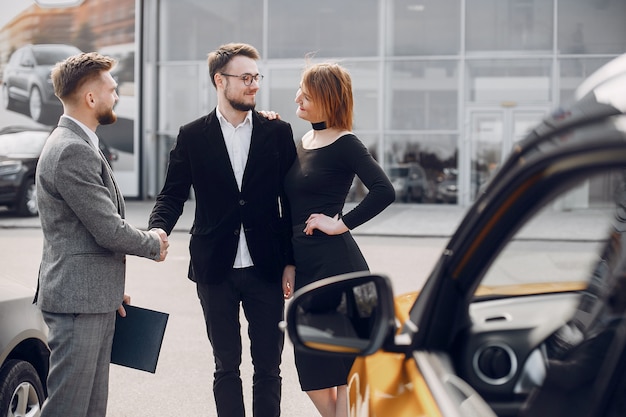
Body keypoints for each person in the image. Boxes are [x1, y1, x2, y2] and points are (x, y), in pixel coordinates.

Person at [148, 43, 296, 417]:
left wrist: (292, 262)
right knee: (225, 366)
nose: (253, 85)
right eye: (246, 78)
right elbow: (172, 194)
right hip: (215, 270)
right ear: (220, 80)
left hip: (266, 267)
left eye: (256, 78)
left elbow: (292, 202)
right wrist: (157, 230)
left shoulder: (277, 132)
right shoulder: (192, 135)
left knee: (268, 367)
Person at [35, 52, 169, 417]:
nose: (116, 97)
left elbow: (83, 234)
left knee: (91, 409)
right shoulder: (71, 151)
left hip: (90, 298)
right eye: (112, 90)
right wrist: (153, 244)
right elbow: (107, 229)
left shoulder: (79, 145)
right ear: (90, 98)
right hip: (77, 303)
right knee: (68, 407)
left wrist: (107, 287)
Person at [283, 62, 395, 417]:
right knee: (313, 371)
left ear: (327, 99)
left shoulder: (346, 143)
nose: (297, 97)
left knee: (345, 371)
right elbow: (288, 210)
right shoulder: (300, 142)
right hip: (305, 268)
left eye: (306, 91)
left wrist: (341, 224)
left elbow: (384, 190)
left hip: (339, 268)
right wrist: (288, 261)